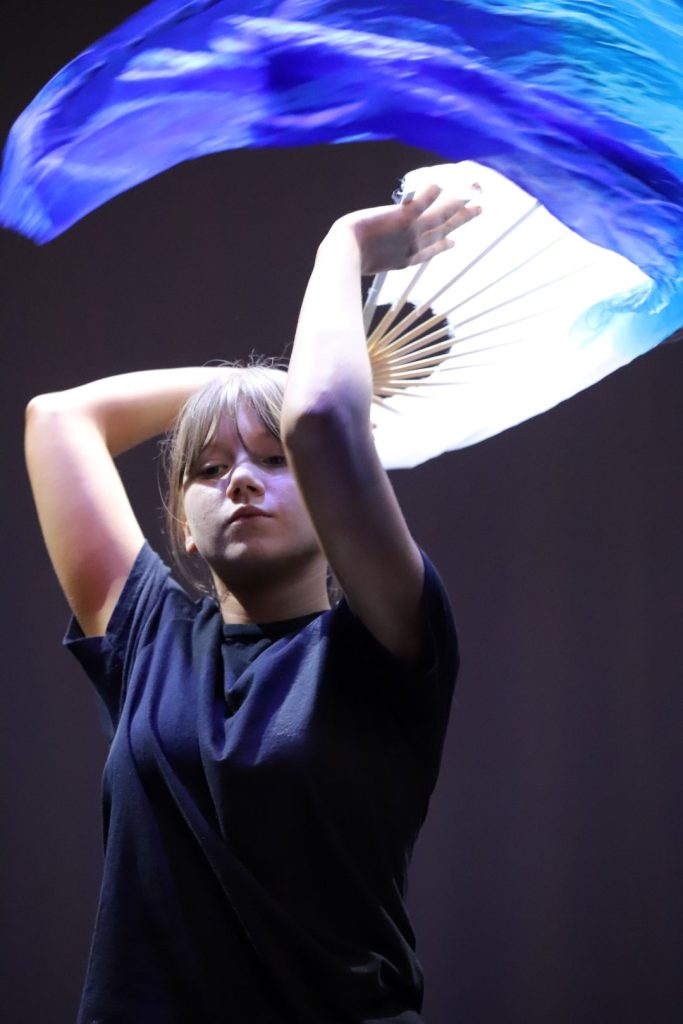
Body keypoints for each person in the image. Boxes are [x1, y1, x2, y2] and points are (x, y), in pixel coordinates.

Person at [25, 186, 479, 1024]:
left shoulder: (384, 640)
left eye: (274, 459)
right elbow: (59, 419)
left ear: (339, 501)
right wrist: (250, 390)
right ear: (185, 534)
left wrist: (342, 245)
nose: (239, 477)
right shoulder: (149, 640)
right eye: (207, 467)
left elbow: (322, 419)